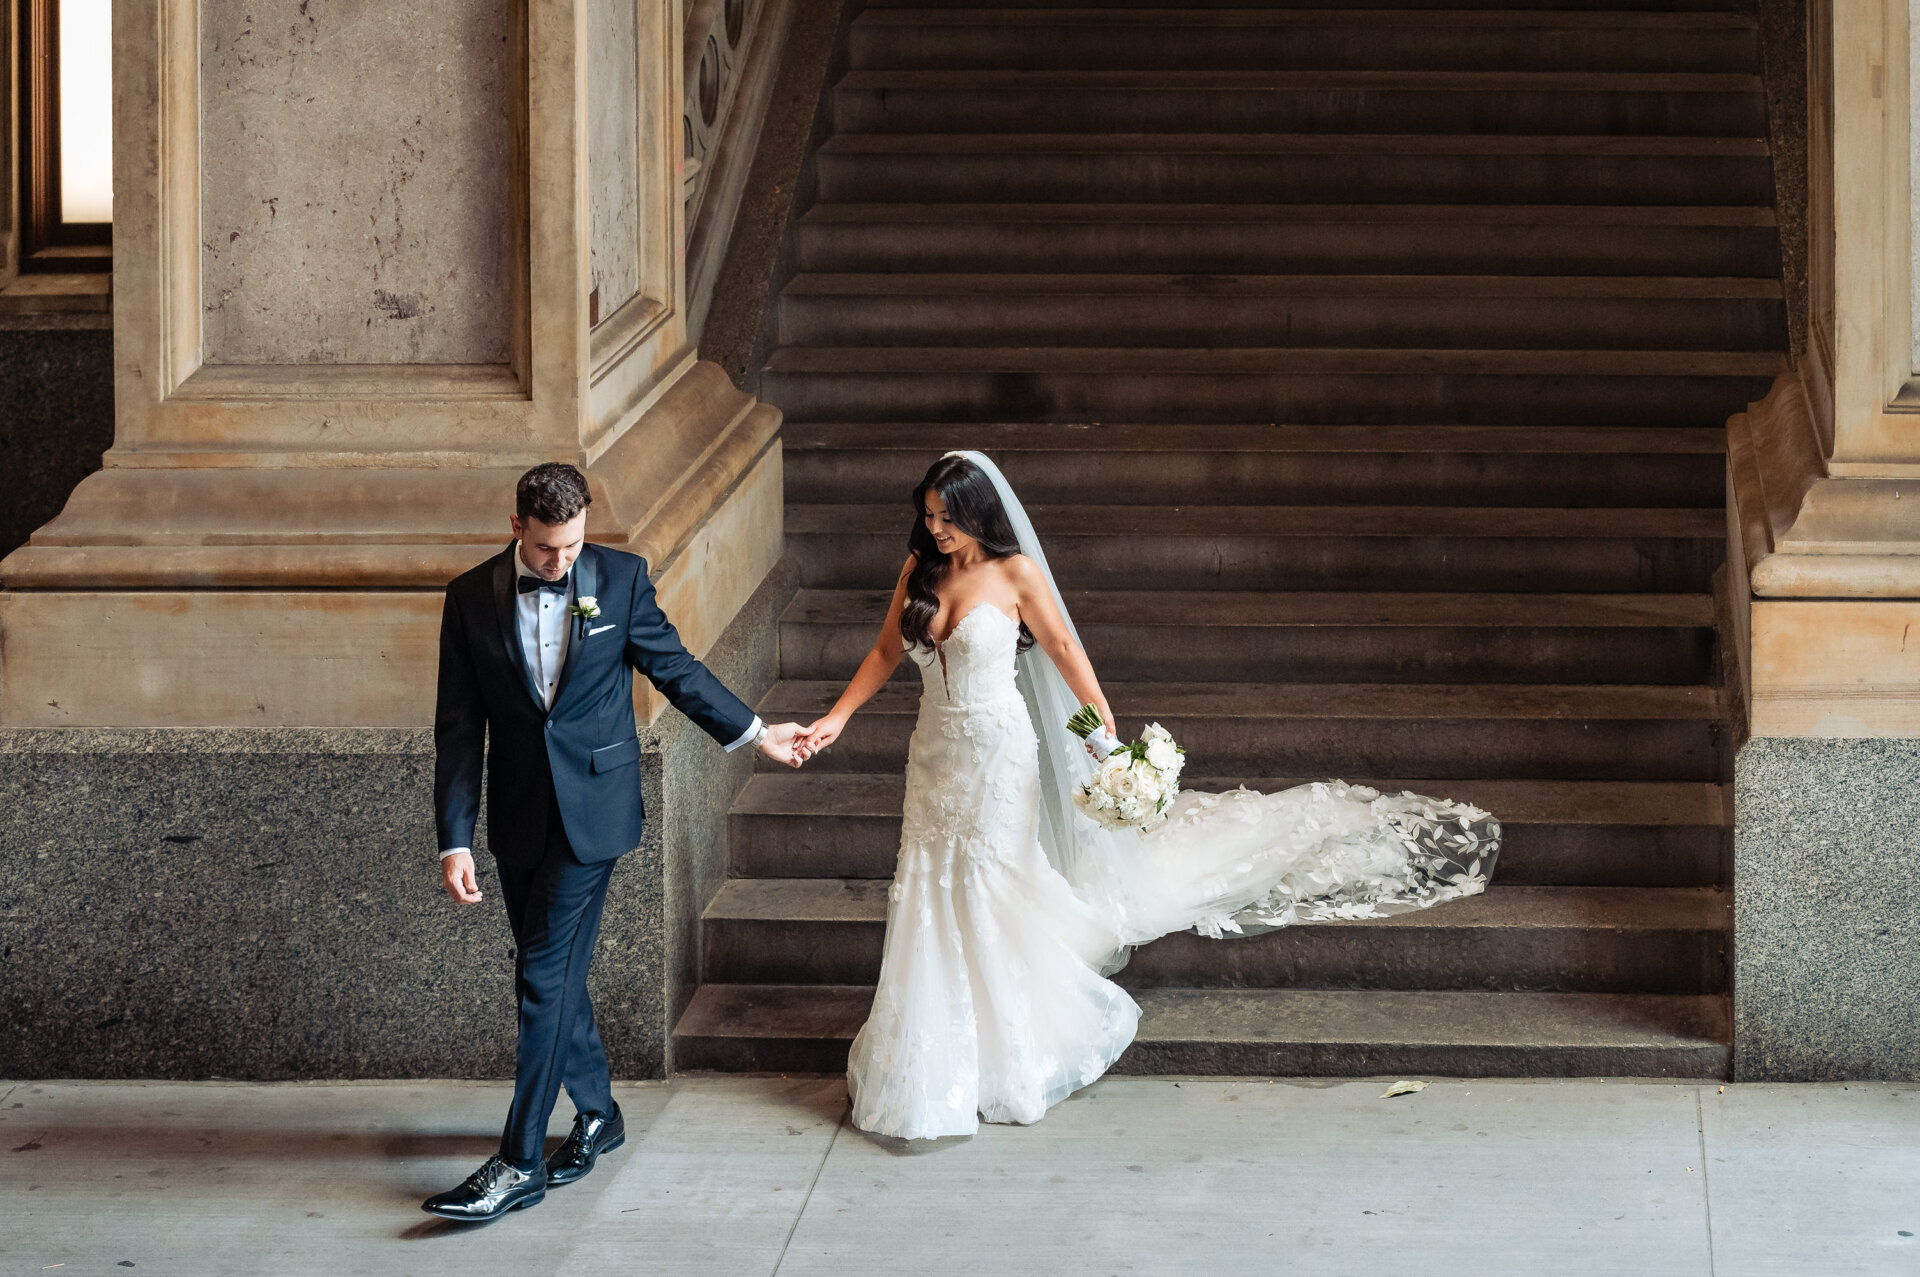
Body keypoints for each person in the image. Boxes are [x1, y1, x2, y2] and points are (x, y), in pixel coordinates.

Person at [793, 452, 1502, 1141]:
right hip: (934, 754)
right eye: (929, 515)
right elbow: (888, 650)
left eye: (948, 516)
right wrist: (835, 718)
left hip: (998, 755)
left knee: (988, 879)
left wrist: (1102, 721)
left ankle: (1008, 1039)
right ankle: (930, 1042)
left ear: (980, 512)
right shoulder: (919, 570)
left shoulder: (1016, 573)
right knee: (924, 884)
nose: (937, 528)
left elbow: (1064, 649)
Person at [423, 462, 808, 1220]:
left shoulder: (621, 579)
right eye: (544, 551)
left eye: (570, 547)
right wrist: (454, 837)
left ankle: (518, 1161)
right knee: (553, 977)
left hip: (594, 814)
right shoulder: (469, 597)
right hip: (520, 818)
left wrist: (757, 733)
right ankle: (599, 1111)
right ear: (515, 529)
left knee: (540, 977)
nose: (560, 563)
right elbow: (460, 726)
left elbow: (678, 670)